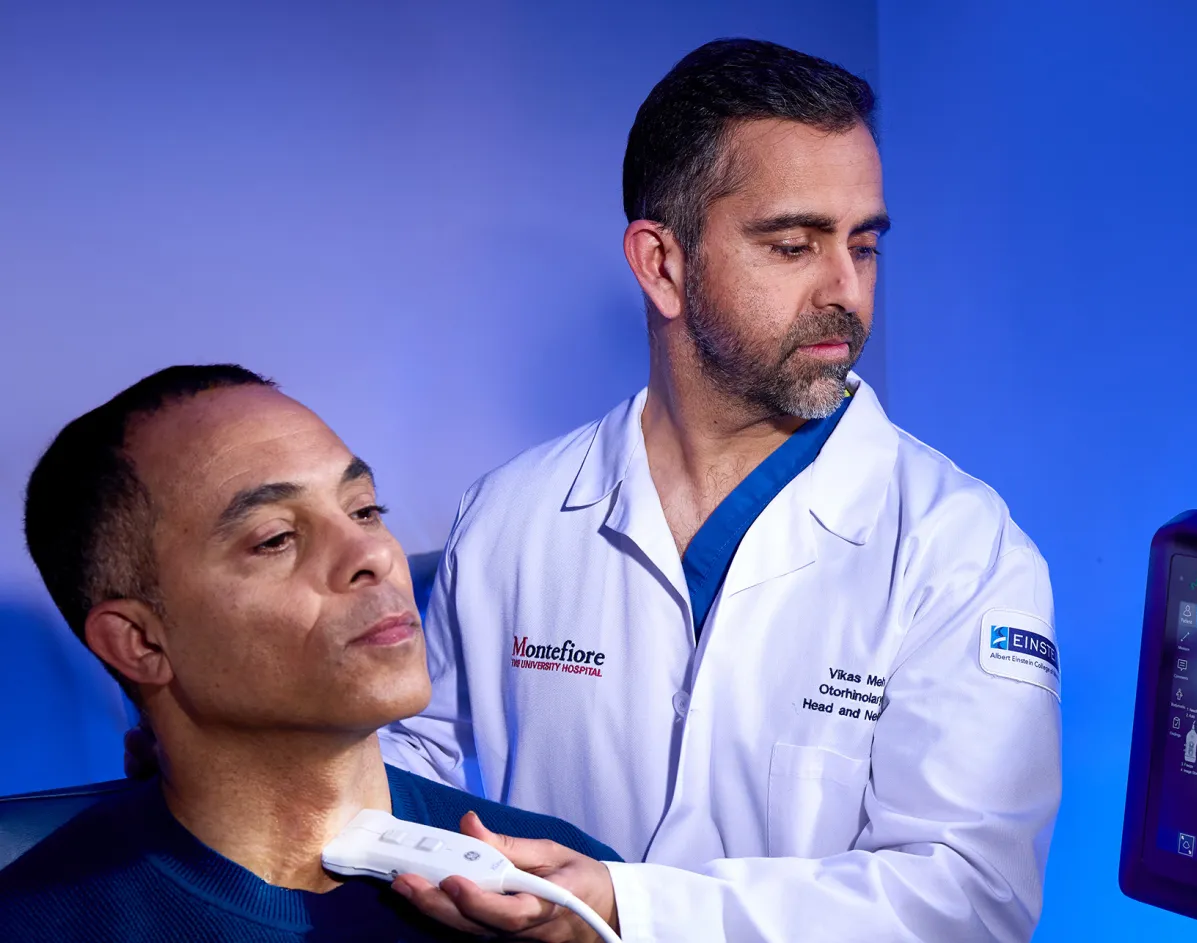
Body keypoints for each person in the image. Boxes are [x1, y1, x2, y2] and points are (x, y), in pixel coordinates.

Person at [378, 38, 1062, 942]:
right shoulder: (510, 515)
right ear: (661, 263)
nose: (847, 291)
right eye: (793, 244)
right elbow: (414, 761)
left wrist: (625, 912)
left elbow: (968, 903)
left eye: (863, 243)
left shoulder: (962, 551)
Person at [2, 365, 623, 942]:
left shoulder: (564, 899)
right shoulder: (38, 922)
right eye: (276, 539)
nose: (375, 556)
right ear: (138, 643)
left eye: (365, 510)